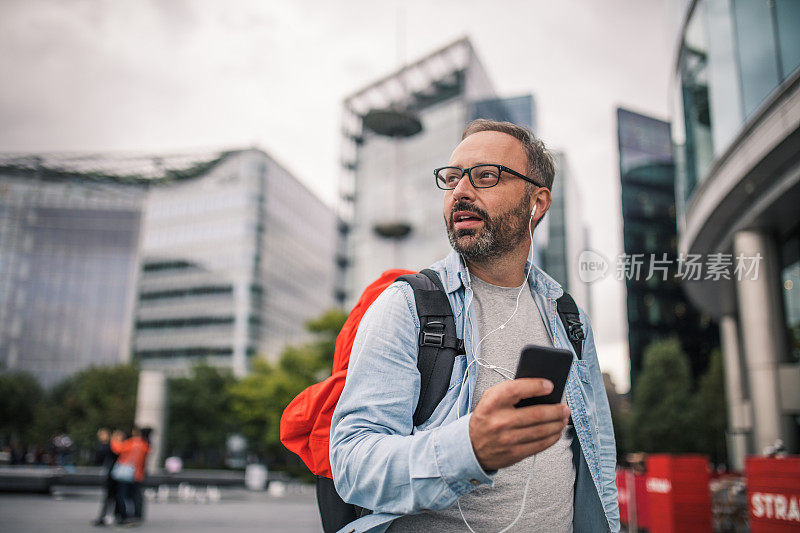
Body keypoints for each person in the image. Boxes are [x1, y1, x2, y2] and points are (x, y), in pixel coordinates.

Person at [330, 119, 620, 532]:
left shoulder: (568, 317)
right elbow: (352, 465)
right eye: (452, 178)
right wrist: (468, 449)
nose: (461, 192)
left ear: (537, 203)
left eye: (486, 176)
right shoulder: (405, 306)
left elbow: (599, 456)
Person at [111, 427, 150, 526]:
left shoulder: (132, 443)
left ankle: (124, 515)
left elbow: (117, 448)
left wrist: (115, 438)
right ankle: (137, 515)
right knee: (135, 496)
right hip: (138, 474)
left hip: (127, 473)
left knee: (121, 495)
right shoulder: (145, 444)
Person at [92, 428, 119, 526]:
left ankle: (108, 516)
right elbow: (97, 460)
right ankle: (107, 516)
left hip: (114, 474)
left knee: (112, 497)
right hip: (111, 474)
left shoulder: (111, 446)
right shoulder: (104, 446)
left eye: (103, 435)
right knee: (111, 497)